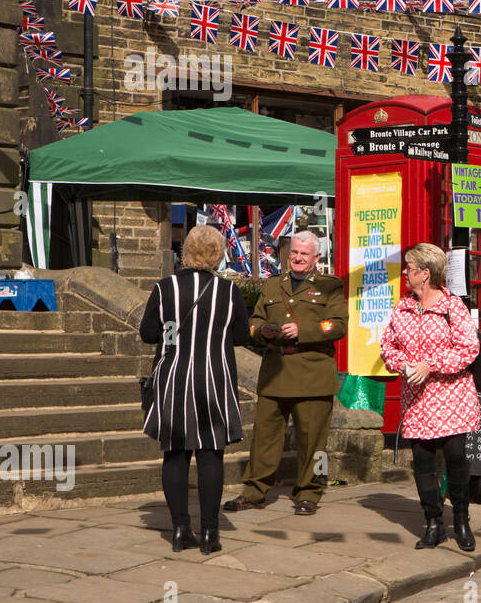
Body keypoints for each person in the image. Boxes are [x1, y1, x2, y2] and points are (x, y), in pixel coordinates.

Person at [139, 226, 250, 555]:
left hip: (174, 377)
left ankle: (180, 530)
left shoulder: (165, 288)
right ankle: (210, 535)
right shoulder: (229, 292)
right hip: (214, 378)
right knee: (210, 454)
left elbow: (148, 333)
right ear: (218, 253)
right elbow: (242, 335)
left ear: (185, 253)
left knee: (174, 454)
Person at [224, 230, 347, 516]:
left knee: (314, 441)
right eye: (293, 253)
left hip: (312, 373)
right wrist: (262, 331)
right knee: (264, 438)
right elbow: (254, 321)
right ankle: (254, 492)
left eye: (304, 254)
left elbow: (338, 325)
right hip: (275, 372)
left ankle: (310, 492)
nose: (298, 258)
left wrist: (302, 330)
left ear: (317, 257)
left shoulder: (330, 286)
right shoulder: (272, 285)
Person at [379, 243, 481, 551]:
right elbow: (387, 347)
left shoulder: (453, 307)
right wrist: (402, 364)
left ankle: (461, 521)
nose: (405, 273)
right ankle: (434, 523)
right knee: (422, 462)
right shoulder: (402, 307)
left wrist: (430, 365)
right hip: (418, 400)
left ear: (425, 273)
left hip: (452, 398)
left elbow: (468, 349)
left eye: (409, 268)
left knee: (456, 459)